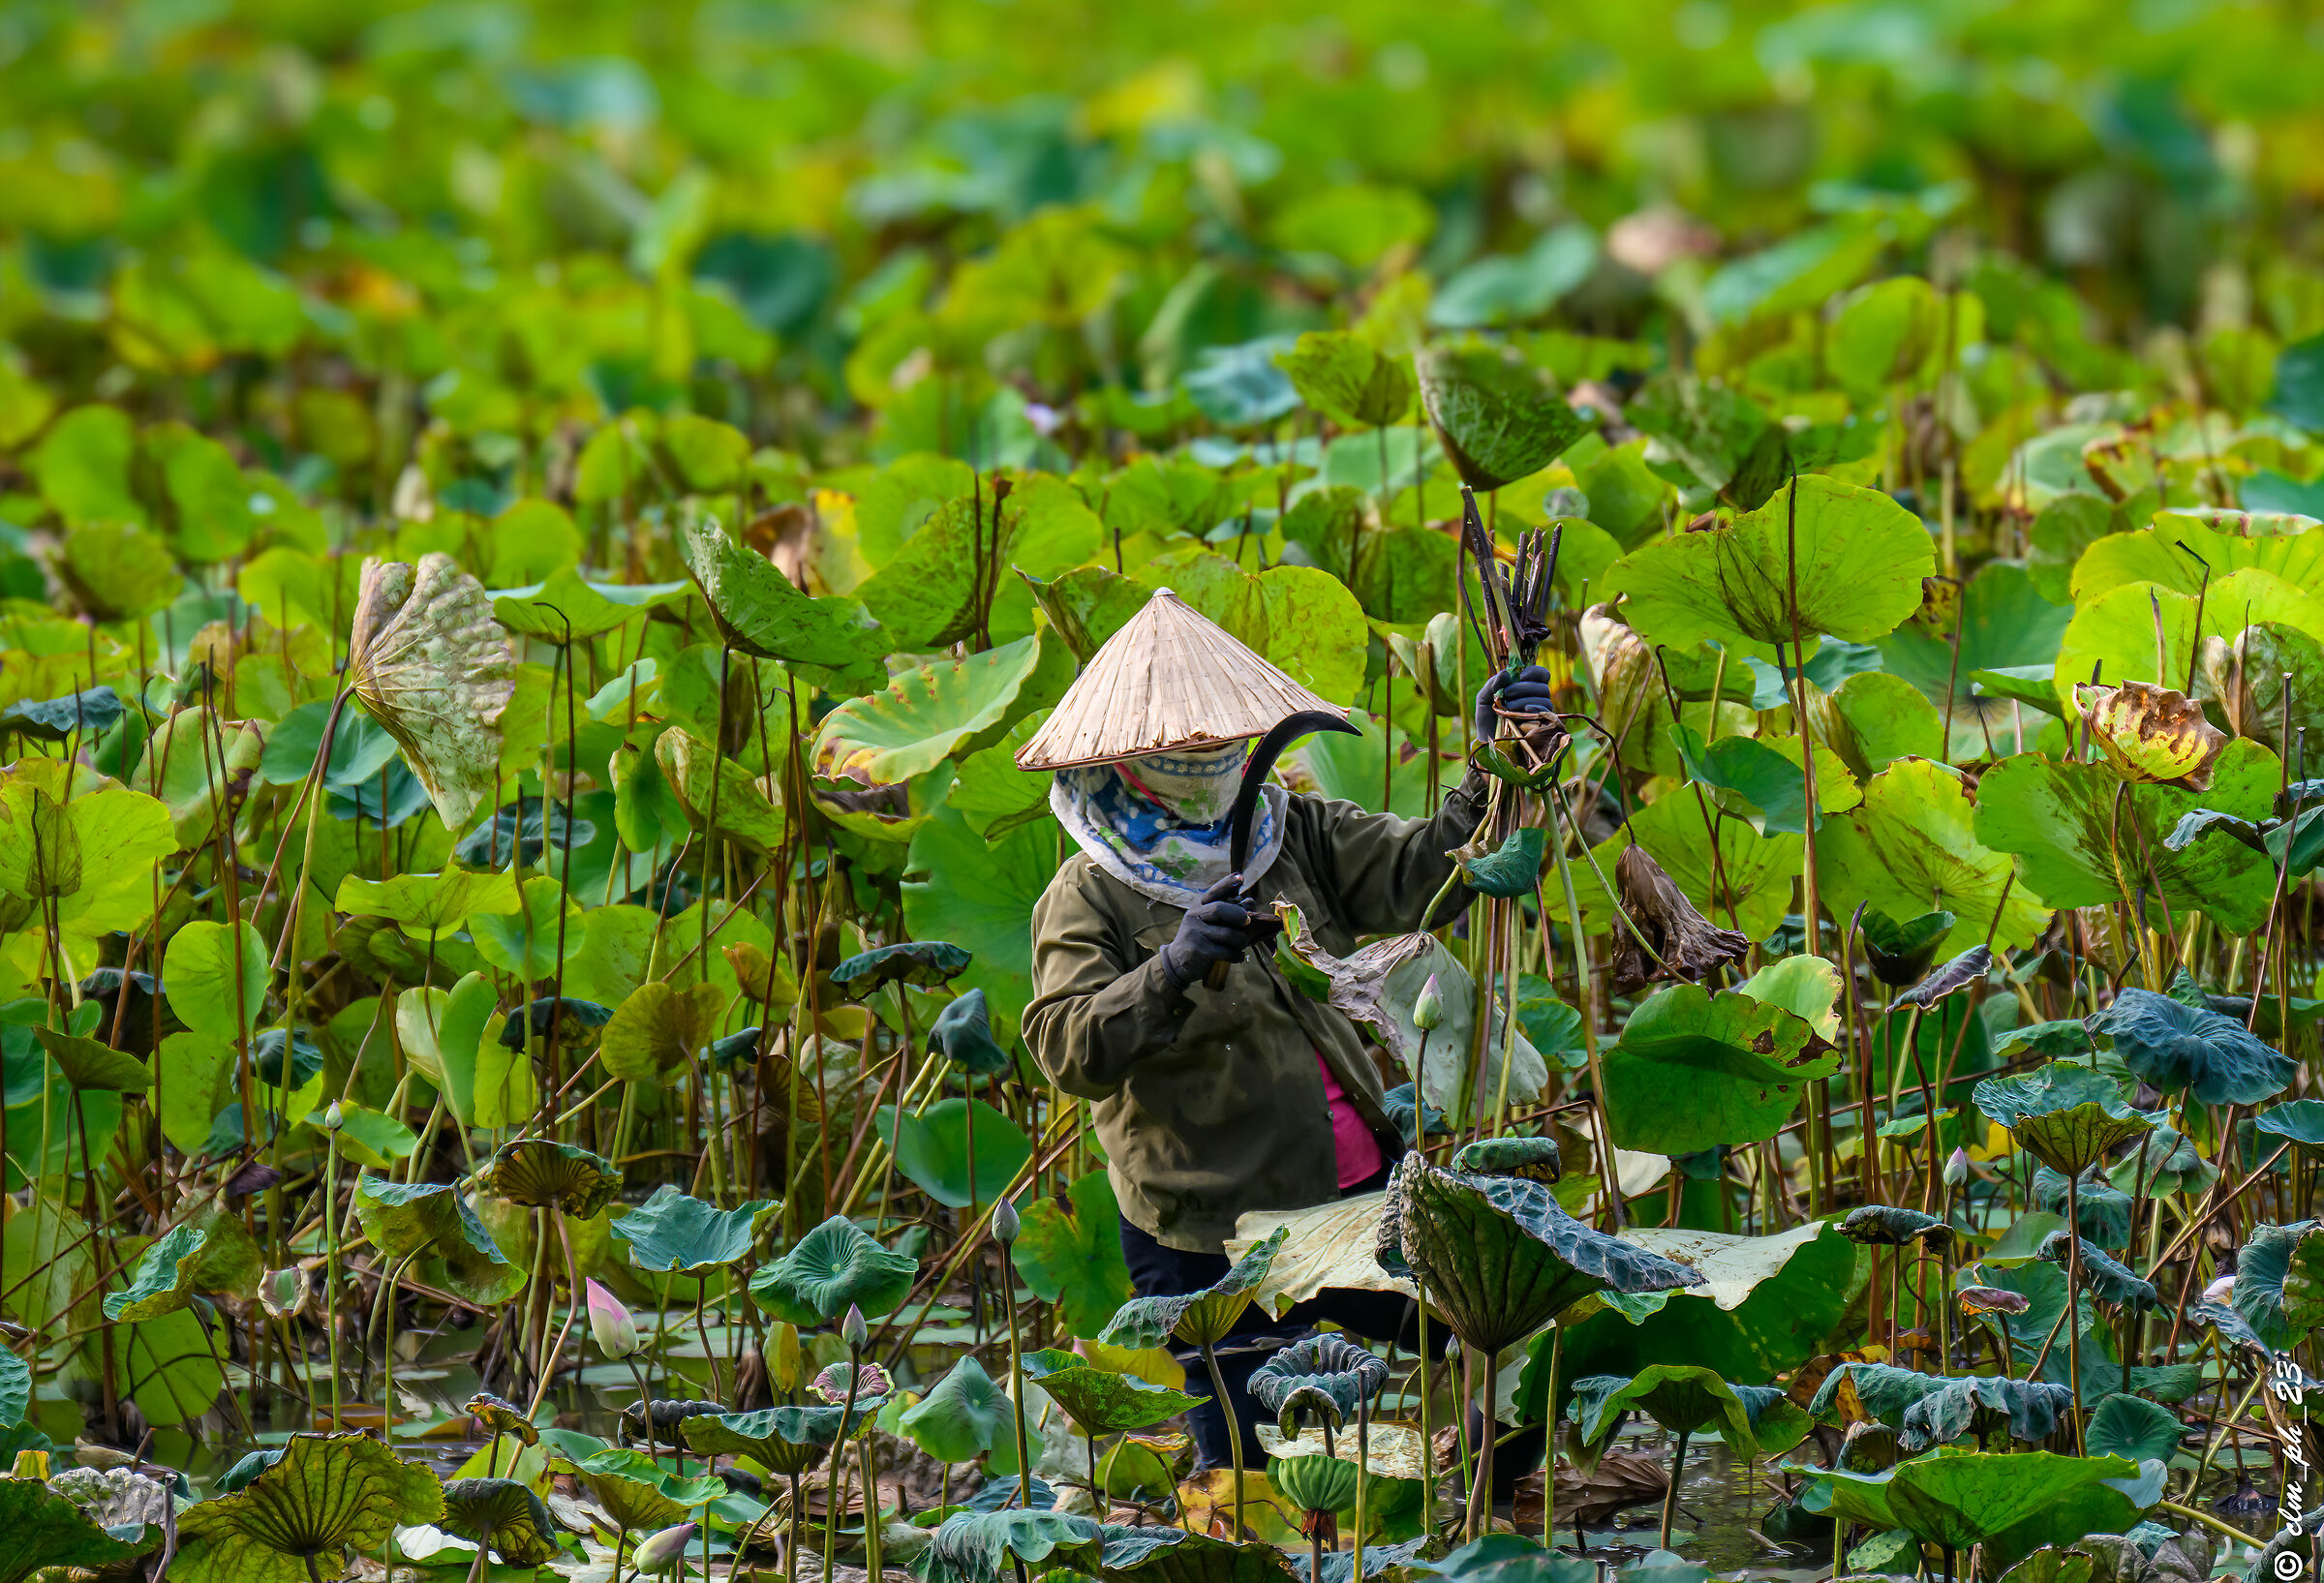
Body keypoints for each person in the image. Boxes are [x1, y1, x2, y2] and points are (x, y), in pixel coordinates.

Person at [1018, 586, 1555, 1471]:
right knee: (1244, 1472)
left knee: (1490, 1346)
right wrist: (1174, 964)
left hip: (1358, 1194)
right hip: (1211, 1231)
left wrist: (1495, 766)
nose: (1205, 752)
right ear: (1123, 753)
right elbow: (1068, 1047)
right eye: (1178, 741)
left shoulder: (1286, 827)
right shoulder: (1089, 890)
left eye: (1218, 732)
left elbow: (1427, 871)